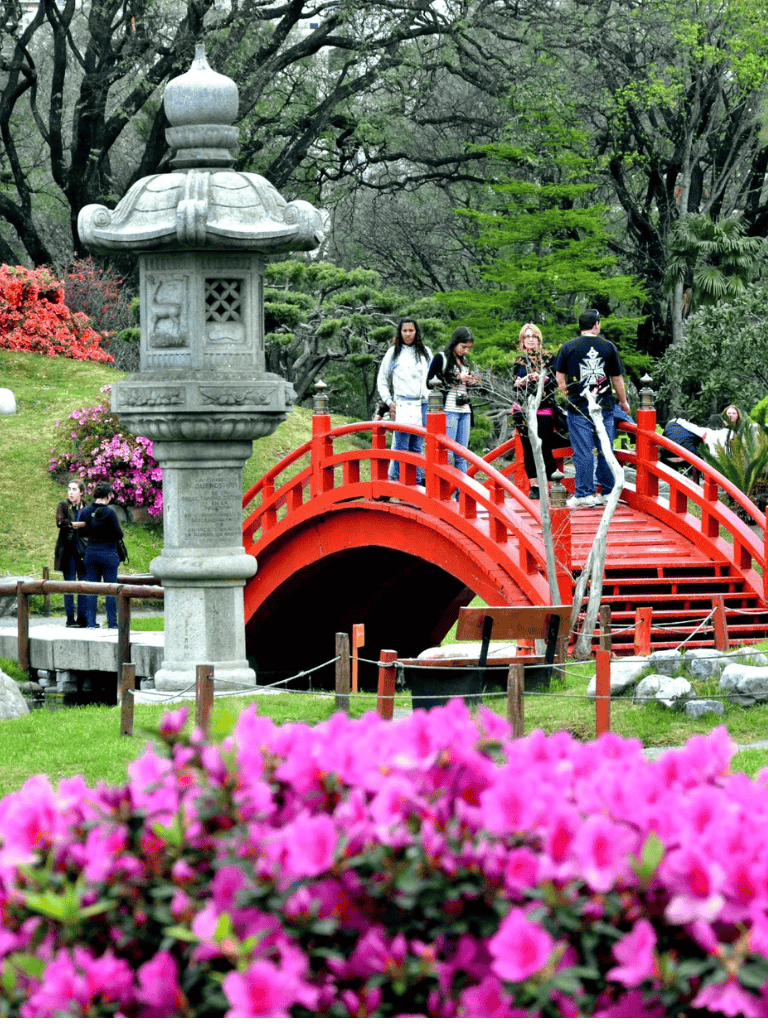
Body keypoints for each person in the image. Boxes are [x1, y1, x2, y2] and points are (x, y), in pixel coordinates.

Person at [554, 309, 631, 508]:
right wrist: (623, 402)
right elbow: (617, 378)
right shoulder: (608, 347)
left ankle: (585, 494)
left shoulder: (568, 347)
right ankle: (607, 492)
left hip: (578, 407)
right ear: (596, 324)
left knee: (583, 451)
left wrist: (567, 395)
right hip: (603, 406)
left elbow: (560, 376)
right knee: (606, 448)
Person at [376, 318, 432, 485]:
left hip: (422, 403)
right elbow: (382, 379)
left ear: (417, 332)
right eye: (404, 331)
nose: (408, 334)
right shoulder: (393, 353)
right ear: (400, 333)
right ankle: (402, 486)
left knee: (416, 447)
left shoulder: (425, 352)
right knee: (401, 447)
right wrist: (389, 401)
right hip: (402, 403)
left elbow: (433, 377)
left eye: (411, 331)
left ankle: (414, 485)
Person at [511, 323, 560, 499]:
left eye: (534, 336)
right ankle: (535, 486)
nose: (530, 339)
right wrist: (519, 383)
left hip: (543, 407)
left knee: (545, 446)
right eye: (527, 336)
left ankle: (554, 484)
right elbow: (513, 385)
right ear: (522, 341)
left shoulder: (549, 358)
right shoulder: (519, 360)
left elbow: (556, 381)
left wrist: (542, 378)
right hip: (522, 409)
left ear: (539, 339)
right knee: (528, 448)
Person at [428, 326, 478, 484]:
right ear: (455, 343)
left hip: (464, 410)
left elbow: (467, 387)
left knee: (462, 455)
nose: (465, 351)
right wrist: (455, 379)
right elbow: (430, 382)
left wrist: (471, 382)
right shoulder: (441, 358)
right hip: (448, 409)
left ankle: (460, 494)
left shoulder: (465, 362)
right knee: (447, 453)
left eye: (468, 348)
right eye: (463, 347)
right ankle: (442, 490)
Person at [77, 480, 124, 629]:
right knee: (111, 590)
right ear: (108, 496)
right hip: (109, 554)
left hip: (91, 553)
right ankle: (112, 623)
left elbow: (81, 532)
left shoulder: (85, 512)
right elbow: (119, 534)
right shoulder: (110, 513)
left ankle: (91, 623)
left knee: (92, 589)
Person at [54, 479, 88, 627]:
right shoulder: (63, 505)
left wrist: (80, 525)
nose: (71, 492)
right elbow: (60, 522)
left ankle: (82, 617)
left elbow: (91, 523)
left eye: (74, 489)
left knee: (83, 585)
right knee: (69, 585)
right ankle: (70, 619)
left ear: (81, 492)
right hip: (67, 551)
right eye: (69, 489)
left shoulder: (86, 506)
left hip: (82, 550)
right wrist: (76, 524)